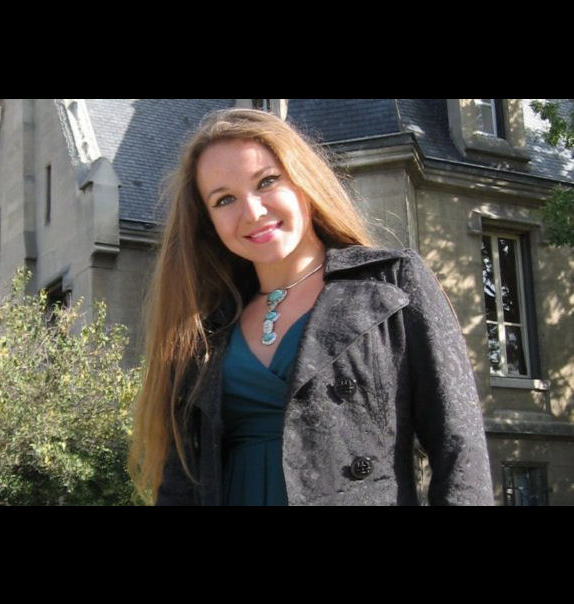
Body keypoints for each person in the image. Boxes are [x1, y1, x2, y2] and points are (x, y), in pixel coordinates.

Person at [128, 107, 494, 506]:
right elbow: (180, 483)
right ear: (208, 223)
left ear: (303, 180)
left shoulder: (390, 283)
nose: (252, 211)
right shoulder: (204, 326)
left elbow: (460, 450)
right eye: (224, 199)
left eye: (267, 181)